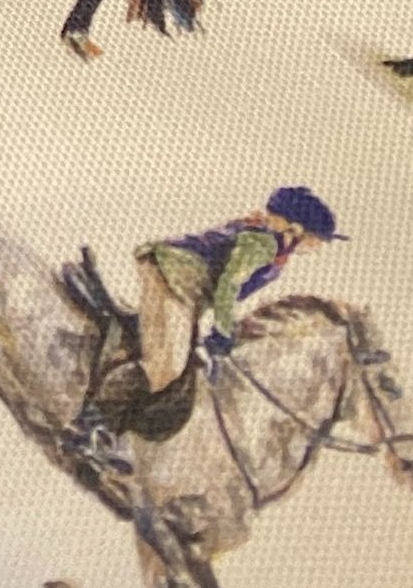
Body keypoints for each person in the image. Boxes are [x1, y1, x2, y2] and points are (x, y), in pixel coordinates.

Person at [77, 187, 343, 454]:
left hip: (188, 286)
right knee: (165, 369)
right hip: (177, 276)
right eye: (317, 239)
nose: (319, 246)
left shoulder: (271, 245)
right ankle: (91, 427)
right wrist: (223, 332)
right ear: (296, 230)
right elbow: (228, 285)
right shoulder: (264, 243)